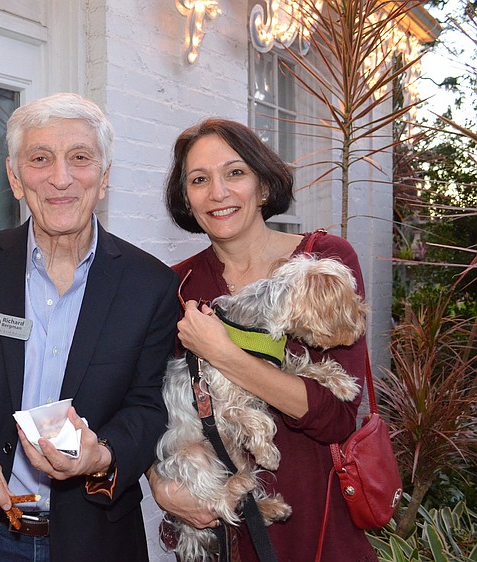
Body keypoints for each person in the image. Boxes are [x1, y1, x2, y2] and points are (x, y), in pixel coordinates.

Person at [0, 92, 179, 562]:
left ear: (104, 177)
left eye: (80, 158)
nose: (61, 178)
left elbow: (150, 405)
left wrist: (103, 454)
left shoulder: (151, 285)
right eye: (39, 159)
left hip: (95, 539)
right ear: (15, 177)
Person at [148, 118, 377, 561]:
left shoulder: (322, 265)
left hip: (316, 521)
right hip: (221, 530)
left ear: (263, 185)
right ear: (186, 199)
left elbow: (338, 416)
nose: (218, 192)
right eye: (199, 180)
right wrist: (160, 485)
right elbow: (147, 407)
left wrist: (223, 354)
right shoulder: (176, 286)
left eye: (235, 173)